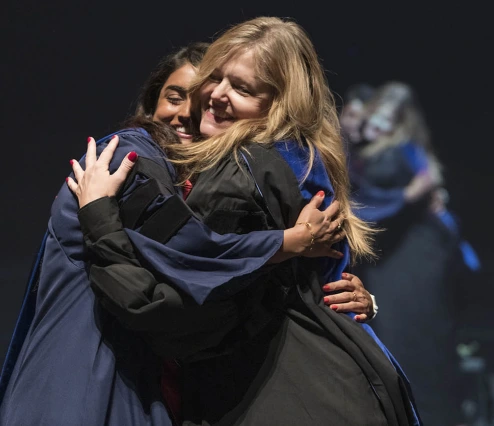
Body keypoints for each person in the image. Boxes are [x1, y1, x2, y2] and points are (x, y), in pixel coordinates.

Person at [68, 17, 422, 425]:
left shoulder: (238, 174)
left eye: (241, 88)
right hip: (348, 379)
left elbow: (168, 315)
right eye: (214, 77)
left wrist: (98, 216)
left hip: (288, 396)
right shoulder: (304, 159)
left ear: (279, 102)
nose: (216, 95)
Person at [0, 43, 371, 426]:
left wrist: (349, 294)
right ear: (150, 102)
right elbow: (185, 250)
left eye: (199, 105)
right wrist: (289, 242)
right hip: (82, 375)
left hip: (143, 382)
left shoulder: (195, 182)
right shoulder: (128, 158)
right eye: (173, 97)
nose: (183, 115)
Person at [349, 81, 481, 426]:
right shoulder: (377, 149)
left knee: (414, 345)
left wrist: (411, 195)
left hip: (409, 259)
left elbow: (368, 208)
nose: (381, 118)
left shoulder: (396, 151)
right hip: (399, 257)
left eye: (390, 113)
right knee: (404, 343)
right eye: (379, 108)